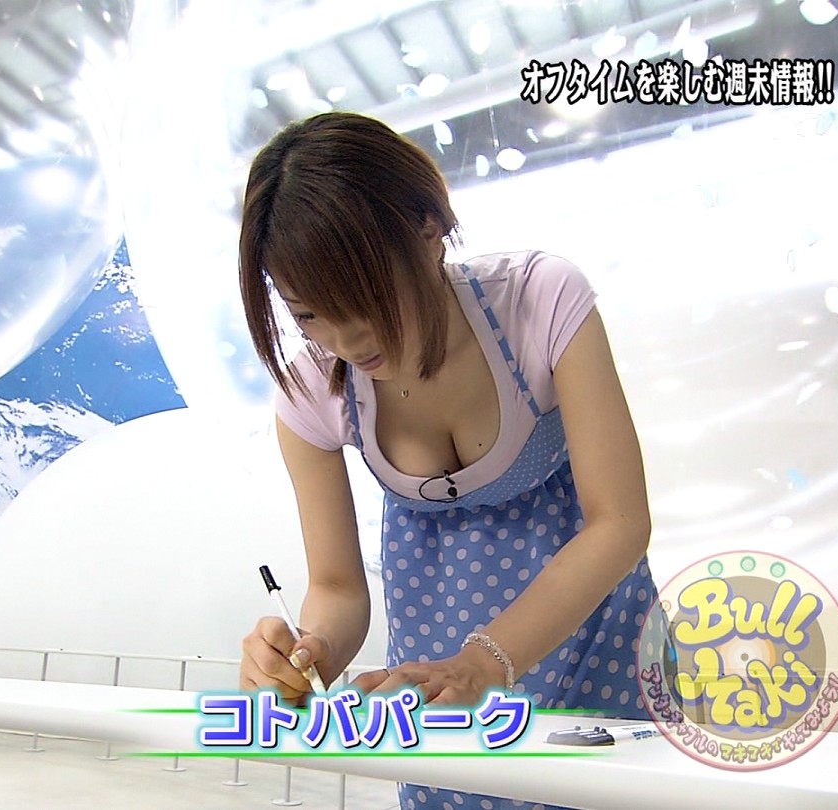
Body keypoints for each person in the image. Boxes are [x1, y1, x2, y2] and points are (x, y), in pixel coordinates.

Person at [237, 111, 660, 810]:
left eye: (365, 295)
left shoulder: (540, 300)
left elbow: (618, 523)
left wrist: (484, 662)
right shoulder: (312, 388)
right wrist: (308, 653)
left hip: (595, 643)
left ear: (428, 225)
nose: (346, 338)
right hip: (441, 689)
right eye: (309, 313)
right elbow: (338, 588)